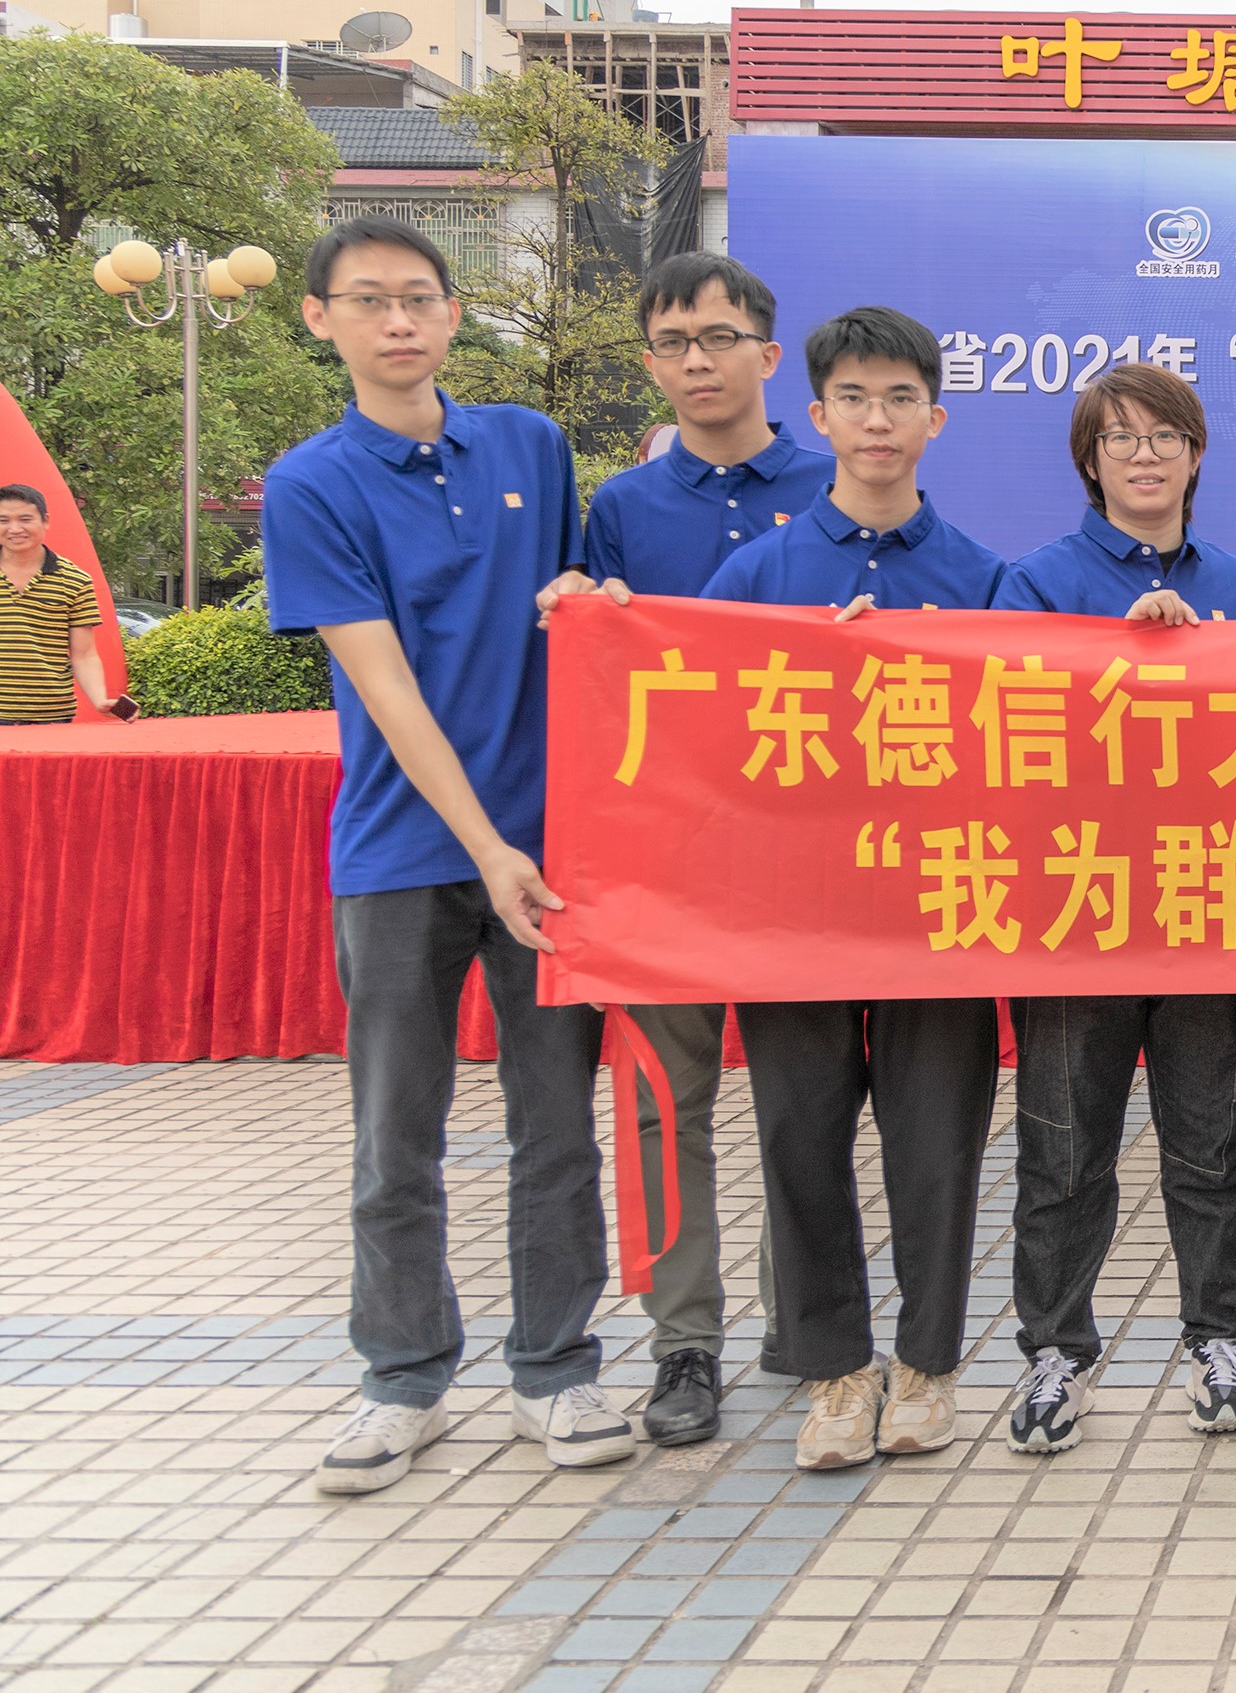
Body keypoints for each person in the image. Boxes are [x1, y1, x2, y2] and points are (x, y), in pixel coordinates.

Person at [259, 216, 626, 1495]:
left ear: (456, 313)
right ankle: (402, 1378)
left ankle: (557, 1369)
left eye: (418, 297)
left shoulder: (528, 444)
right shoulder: (312, 484)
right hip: (403, 853)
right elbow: (387, 689)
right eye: (369, 300)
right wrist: (488, 847)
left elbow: (583, 611)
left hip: (555, 854)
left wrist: (591, 599)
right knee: (394, 1134)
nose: (399, 321)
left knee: (555, 1127)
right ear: (321, 319)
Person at [698, 306, 1006, 1471]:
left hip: (940, 908)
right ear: (818, 415)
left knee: (938, 1146)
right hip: (794, 912)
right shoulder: (756, 574)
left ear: (937, 419)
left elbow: (1027, 746)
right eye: (855, 400)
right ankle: (836, 1369)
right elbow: (695, 732)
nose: (879, 420)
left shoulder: (983, 578)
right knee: (800, 1138)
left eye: (900, 399)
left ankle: (926, 1365)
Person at [534, 251, 832, 1449]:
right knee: (667, 1105)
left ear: (769, 352)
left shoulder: (837, 480)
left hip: (808, 853)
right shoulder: (621, 507)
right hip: (666, 855)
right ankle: (684, 1342)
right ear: (652, 362)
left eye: (718, 336)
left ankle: (811, 1324)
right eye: (672, 342)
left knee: (805, 1106)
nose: (696, 360)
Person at [992, 360, 1236, 1456]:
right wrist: (1119, 654)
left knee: (1213, 1148)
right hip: (1079, 913)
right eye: (1121, 438)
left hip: (1206, 905)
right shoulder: (1036, 581)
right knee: (1064, 1151)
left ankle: (1220, 1338)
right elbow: (1004, 731)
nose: (1145, 455)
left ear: (1196, 456)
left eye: (1166, 436)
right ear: (1090, 459)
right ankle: (1056, 1351)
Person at [0, 484, 120, 724]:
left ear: (45, 521)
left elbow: (84, 655)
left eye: (25, 519)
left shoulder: (75, 580)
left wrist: (99, 700)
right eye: (4, 521)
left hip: (52, 717)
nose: (15, 529)